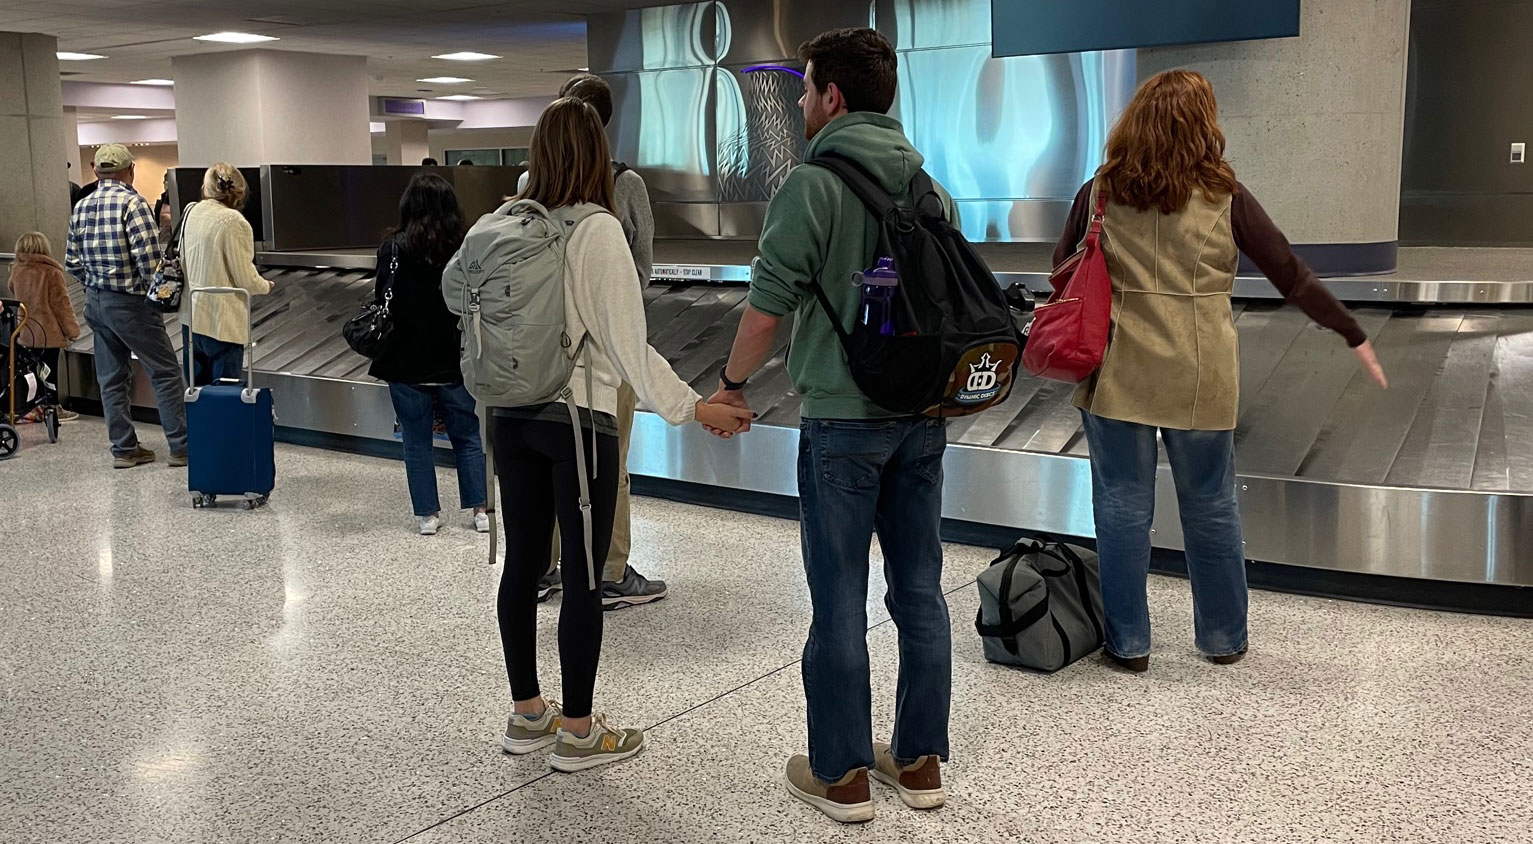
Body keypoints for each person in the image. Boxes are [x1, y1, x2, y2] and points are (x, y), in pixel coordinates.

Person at [1051, 69, 1390, 674]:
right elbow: (1290, 273)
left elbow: (1063, 265)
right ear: (1204, 125)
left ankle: (1128, 644)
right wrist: (1351, 330)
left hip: (1119, 368)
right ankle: (1223, 638)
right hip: (1201, 371)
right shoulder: (1226, 196)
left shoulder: (1101, 191)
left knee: (1123, 505)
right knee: (1209, 504)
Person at [709, 28, 953, 823]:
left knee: (838, 600)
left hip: (843, 424)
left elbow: (765, 310)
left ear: (832, 98)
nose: (804, 102)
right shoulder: (926, 184)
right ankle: (918, 763)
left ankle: (841, 774)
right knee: (918, 590)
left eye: (807, 89)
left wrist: (731, 386)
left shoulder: (810, 186)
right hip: (919, 416)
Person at [490, 98, 750, 773]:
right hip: (577, 420)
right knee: (580, 574)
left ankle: (527, 714)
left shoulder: (503, 223)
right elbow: (625, 341)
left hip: (510, 414)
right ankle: (578, 729)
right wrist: (693, 408)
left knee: (522, 564)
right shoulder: (597, 229)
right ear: (596, 156)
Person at [519, 72, 661, 610]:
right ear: (604, 122)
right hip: (600, 353)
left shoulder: (529, 186)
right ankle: (610, 568)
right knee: (607, 462)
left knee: (545, 468)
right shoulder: (624, 186)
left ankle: (542, 566)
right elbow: (641, 265)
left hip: (536, 356)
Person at [369, 173, 490, 537]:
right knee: (467, 435)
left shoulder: (392, 249)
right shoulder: (464, 246)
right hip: (454, 359)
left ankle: (428, 515)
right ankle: (480, 510)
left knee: (416, 440)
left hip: (405, 361)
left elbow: (382, 300)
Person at [67, 143, 188, 469]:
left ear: (96, 170)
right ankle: (181, 446)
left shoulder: (82, 206)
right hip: (131, 304)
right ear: (130, 169)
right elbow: (149, 263)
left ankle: (124, 449)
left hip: (95, 302)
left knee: (111, 378)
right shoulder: (133, 204)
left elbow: (71, 262)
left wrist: (95, 284)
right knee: (164, 372)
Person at [178, 163, 274, 388]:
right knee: (225, 393)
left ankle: (199, 425)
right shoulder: (234, 222)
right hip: (222, 321)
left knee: (196, 391)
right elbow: (244, 277)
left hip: (191, 317)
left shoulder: (191, 211)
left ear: (206, 187)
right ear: (239, 190)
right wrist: (265, 286)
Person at [7, 232, 81, 423]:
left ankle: (35, 407)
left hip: (25, 331)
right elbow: (62, 305)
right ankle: (53, 408)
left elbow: (12, 289)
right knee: (50, 372)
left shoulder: (17, 271)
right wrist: (72, 330)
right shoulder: (51, 272)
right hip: (49, 334)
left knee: (32, 372)